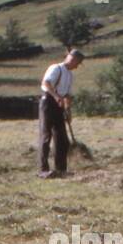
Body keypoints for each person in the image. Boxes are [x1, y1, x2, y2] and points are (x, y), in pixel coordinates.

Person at [38, 47, 84, 178]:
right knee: (46, 137)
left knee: (62, 139)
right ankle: (43, 170)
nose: (77, 66)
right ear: (72, 59)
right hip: (48, 102)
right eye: (77, 63)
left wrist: (68, 110)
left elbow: (67, 95)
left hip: (59, 105)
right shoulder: (56, 68)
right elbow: (46, 83)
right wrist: (56, 96)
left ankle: (61, 169)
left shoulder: (69, 75)